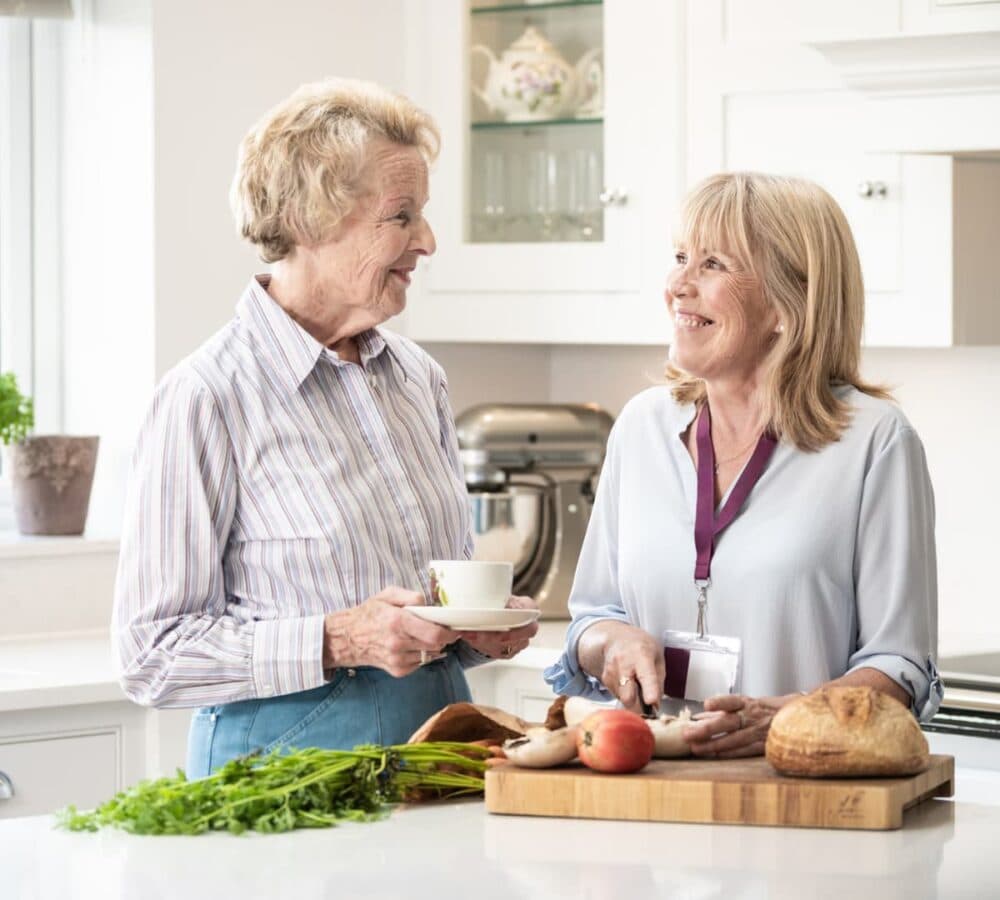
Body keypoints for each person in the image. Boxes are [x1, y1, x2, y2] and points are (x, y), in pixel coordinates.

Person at [112, 78, 537, 778]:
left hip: (439, 757)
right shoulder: (206, 397)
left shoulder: (416, 378)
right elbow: (152, 657)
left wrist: (478, 631)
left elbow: (430, 605)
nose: (427, 241)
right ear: (312, 221)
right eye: (401, 216)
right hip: (281, 779)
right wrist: (339, 639)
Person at [545, 172, 942, 758]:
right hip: (651, 788)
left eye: (713, 265)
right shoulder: (641, 426)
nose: (678, 285)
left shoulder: (875, 442)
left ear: (787, 304)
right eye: (680, 258)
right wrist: (612, 641)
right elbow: (592, 617)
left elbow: (899, 661)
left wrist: (788, 718)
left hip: (800, 793)